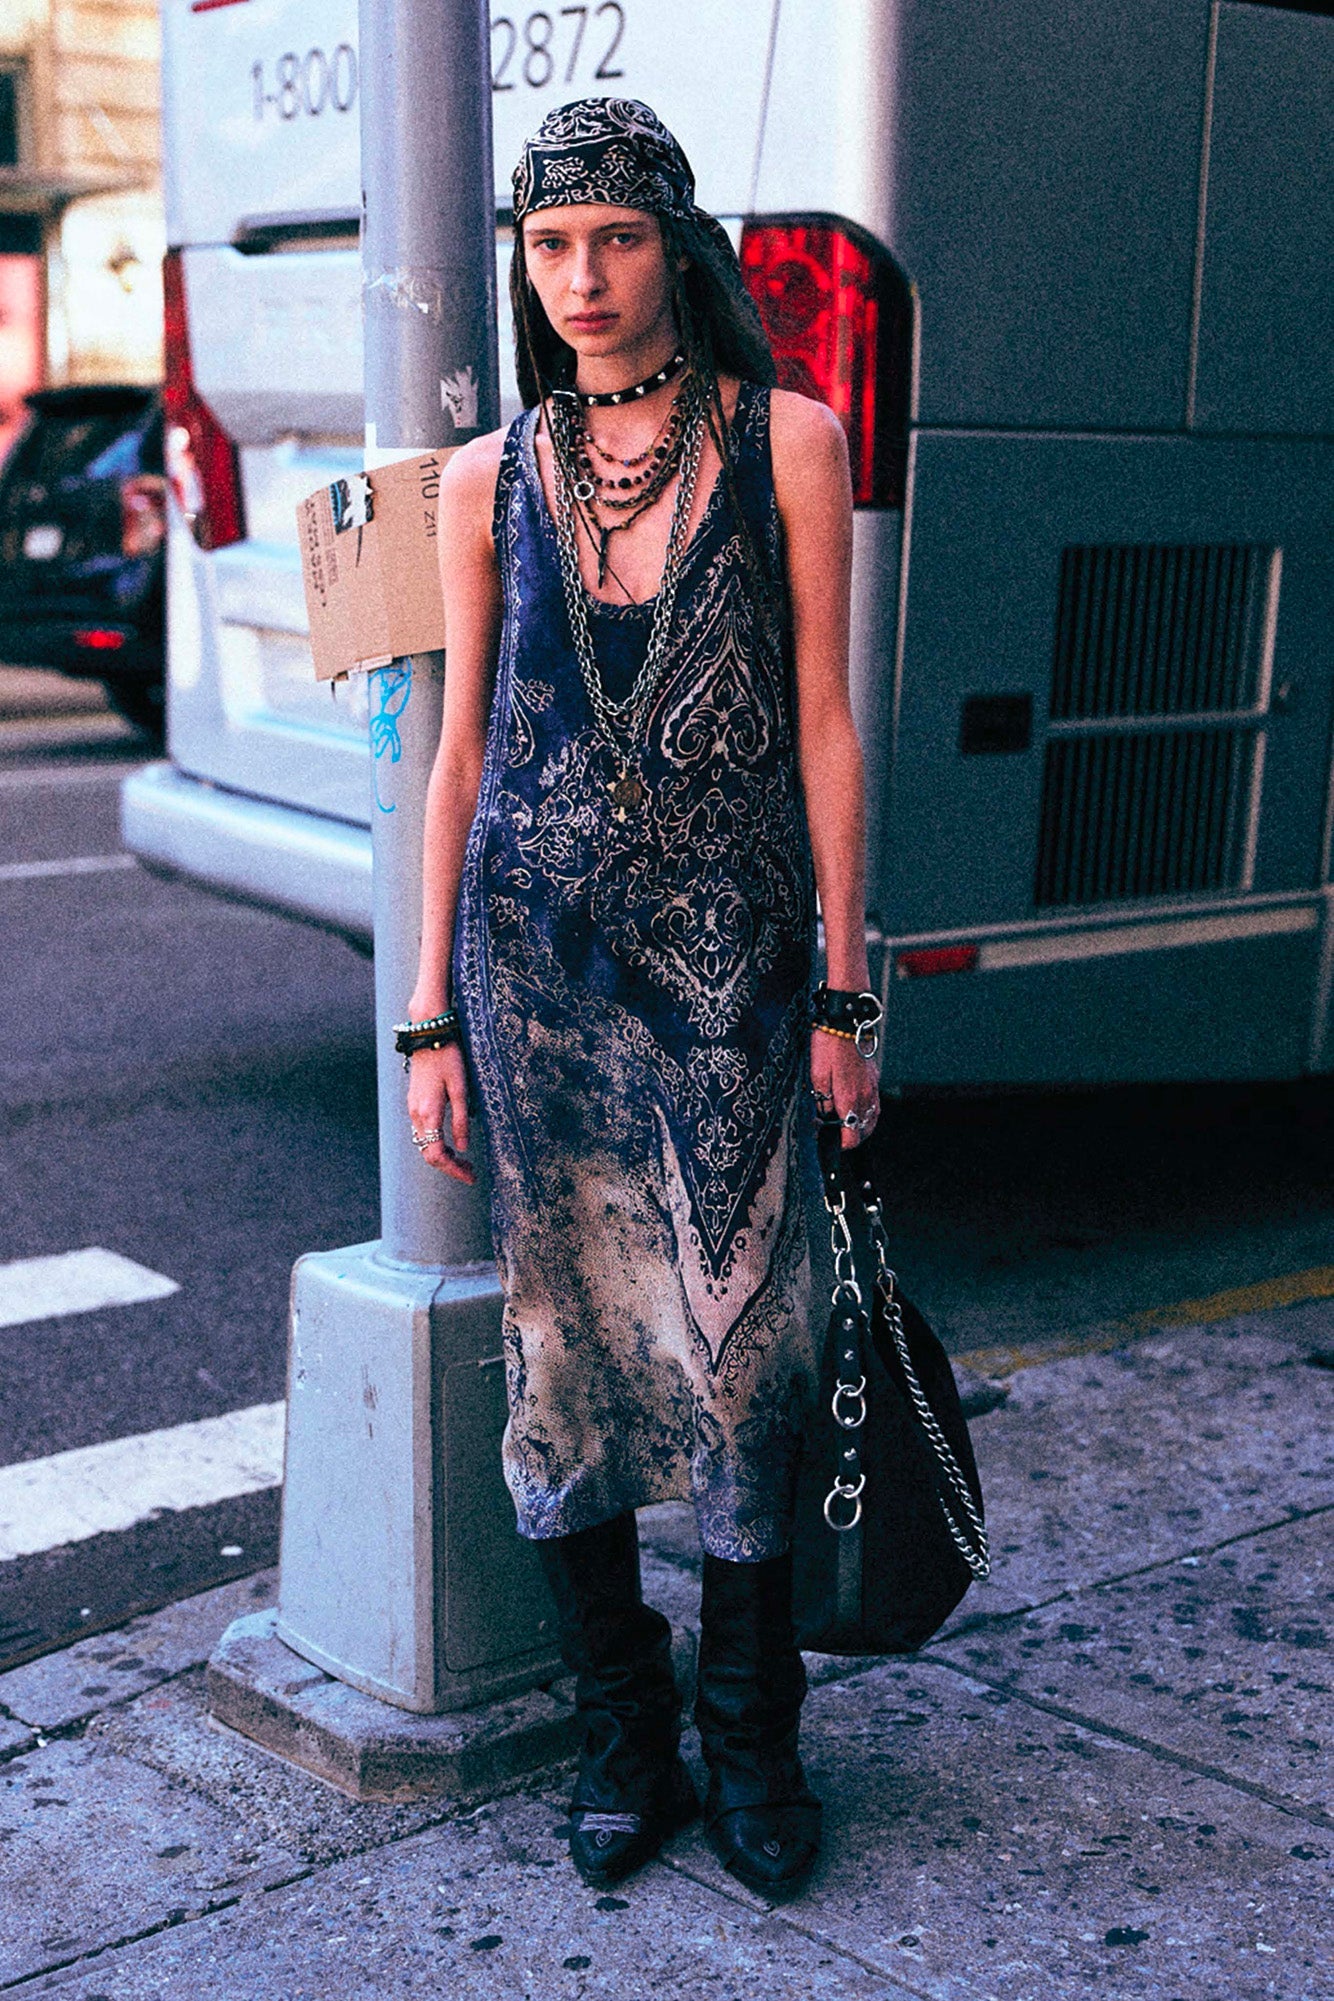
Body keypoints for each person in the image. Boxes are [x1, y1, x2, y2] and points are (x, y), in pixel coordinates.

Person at [400, 98, 880, 1900]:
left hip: (735, 984)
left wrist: (844, 986)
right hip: (536, 991)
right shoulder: (485, 477)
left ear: (676, 246)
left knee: (744, 1355)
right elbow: (461, 758)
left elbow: (826, 724)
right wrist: (434, 1014)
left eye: (612, 237)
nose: (581, 278)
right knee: (570, 1359)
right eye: (548, 244)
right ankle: (626, 1726)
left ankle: (752, 1735)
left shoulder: (790, 443)